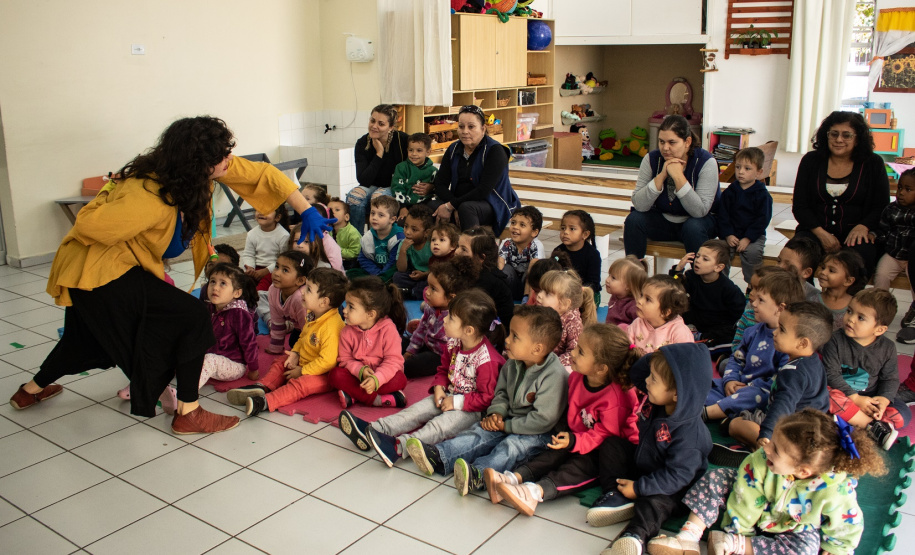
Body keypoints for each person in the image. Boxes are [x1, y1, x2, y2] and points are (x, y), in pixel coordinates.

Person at [9, 116, 334, 435]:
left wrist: (305, 210)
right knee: (193, 315)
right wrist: (112, 190)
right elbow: (87, 225)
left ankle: (30, 390)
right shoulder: (149, 195)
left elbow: (262, 175)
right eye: (222, 156)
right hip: (97, 270)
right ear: (198, 162)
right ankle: (189, 412)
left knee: (82, 340)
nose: (230, 160)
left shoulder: (197, 173)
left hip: (110, 266)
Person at [648, 409, 886, 555]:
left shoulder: (835, 489)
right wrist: (740, 530)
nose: (766, 448)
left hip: (792, 524)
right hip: (749, 502)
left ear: (803, 471)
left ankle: (732, 544)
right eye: (772, 441)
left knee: (806, 550)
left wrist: (838, 548)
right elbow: (745, 498)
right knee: (716, 478)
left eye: (777, 450)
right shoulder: (760, 460)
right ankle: (689, 536)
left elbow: (847, 520)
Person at [405, 305, 568, 497]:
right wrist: (496, 414)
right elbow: (501, 394)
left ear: (537, 348)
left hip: (538, 432)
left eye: (515, 336)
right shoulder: (512, 364)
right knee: (479, 433)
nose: (507, 340)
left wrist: (506, 426)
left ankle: (478, 474)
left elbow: (542, 420)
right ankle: (439, 455)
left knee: (511, 448)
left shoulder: (554, 376)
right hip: (506, 420)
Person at [490, 324, 642, 516]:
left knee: (577, 467)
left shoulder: (618, 397)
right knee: (553, 452)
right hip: (580, 437)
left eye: (581, 351)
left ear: (601, 368)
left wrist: (575, 441)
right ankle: (513, 478)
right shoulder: (577, 377)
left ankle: (535, 492)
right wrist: (570, 440)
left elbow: (605, 434)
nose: (574, 353)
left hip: (605, 451)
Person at [340, 289, 506, 464]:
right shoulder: (455, 343)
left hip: (471, 410)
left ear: (469, 330)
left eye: (451, 318)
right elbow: (443, 370)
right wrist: (439, 388)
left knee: (439, 426)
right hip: (449, 395)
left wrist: (457, 403)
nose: (445, 320)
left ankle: (398, 447)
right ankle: (373, 430)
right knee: (415, 412)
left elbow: (486, 398)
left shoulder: (487, 360)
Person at [586, 343, 712, 555]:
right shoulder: (656, 402)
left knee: (653, 503)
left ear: (676, 394)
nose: (646, 381)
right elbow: (640, 374)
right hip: (646, 464)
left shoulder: (691, 436)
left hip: (674, 488)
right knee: (612, 446)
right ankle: (616, 496)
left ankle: (636, 537)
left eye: (653, 379)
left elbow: (676, 477)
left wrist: (640, 488)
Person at [227, 268, 348, 416]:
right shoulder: (313, 313)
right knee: (280, 363)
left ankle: (266, 402)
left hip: (323, 374)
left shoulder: (331, 327)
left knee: (299, 385)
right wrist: (295, 353)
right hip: (304, 361)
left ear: (324, 302)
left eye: (309, 290)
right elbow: (303, 336)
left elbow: (327, 362)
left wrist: (302, 371)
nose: (302, 292)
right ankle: (262, 386)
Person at [723, 302, 833, 459]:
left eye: (782, 329)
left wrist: (766, 434)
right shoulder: (814, 361)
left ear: (802, 343)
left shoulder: (793, 372)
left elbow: (783, 404)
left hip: (790, 429)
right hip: (812, 429)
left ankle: (766, 452)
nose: (775, 333)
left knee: (736, 425)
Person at [792, 110, 890, 277]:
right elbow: (800, 206)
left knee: (858, 261)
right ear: (826, 136)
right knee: (795, 257)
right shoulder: (811, 161)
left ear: (858, 138)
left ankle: (846, 303)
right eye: (834, 134)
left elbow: (881, 205)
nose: (839, 140)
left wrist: (864, 226)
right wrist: (821, 233)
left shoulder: (873, 163)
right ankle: (804, 301)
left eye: (847, 135)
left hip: (856, 234)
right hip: (815, 231)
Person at [704, 269, 804, 422]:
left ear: (780, 308)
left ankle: (707, 413)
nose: (754, 303)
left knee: (753, 396)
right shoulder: (752, 331)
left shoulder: (787, 343)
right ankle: (729, 412)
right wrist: (729, 380)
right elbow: (736, 360)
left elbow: (780, 380)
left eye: (761, 300)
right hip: (737, 386)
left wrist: (748, 386)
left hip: (760, 392)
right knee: (707, 385)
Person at [824, 289, 909, 450]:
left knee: (903, 414)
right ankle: (872, 426)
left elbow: (890, 379)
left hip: (870, 397)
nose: (850, 319)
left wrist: (882, 401)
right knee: (826, 396)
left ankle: (863, 421)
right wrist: (855, 399)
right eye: (849, 311)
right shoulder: (834, 340)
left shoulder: (888, 348)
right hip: (843, 396)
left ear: (879, 330)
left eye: (861, 317)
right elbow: (830, 374)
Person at [624, 115, 720, 259]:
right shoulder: (652, 159)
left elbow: (700, 211)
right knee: (634, 220)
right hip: (663, 221)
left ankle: (698, 278)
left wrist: (678, 177)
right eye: (661, 142)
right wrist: (661, 176)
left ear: (687, 142)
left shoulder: (706, 162)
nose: (665, 148)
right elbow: (639, 205)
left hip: (698, 224)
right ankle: (633, 275)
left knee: (693, 227)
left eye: (672, 142)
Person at [431, 105, 520, 231]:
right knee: (431, 206)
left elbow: (483, 190)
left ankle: (474, 248)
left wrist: (452, 205)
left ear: (483, 129)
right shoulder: (453, 149)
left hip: (493, 204)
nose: (465, 131)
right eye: (461, 127)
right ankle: (438, 249)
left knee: (467, 209)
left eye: (471, 127)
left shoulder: (495, 151)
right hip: (460, 202)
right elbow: (440, 184)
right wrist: (452, 205)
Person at [328, 276, 408, 408]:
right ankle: (380, 400)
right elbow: (345, 359)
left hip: (383, 377)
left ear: (371, 314)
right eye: (346, 305)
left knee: (400, 379)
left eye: (351, 307)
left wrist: (377, 379)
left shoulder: (388, 330)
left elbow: (393, 361)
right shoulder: (346, 331)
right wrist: (361, 371)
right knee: (334, 375)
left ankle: (354, 396)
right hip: (358, 376)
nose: (344, 310)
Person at [403, 257, 480, 379]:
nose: (427, 292)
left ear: (451, 297)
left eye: (433, 289)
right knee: (399, 342)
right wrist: (410, 351)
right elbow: (421, 330)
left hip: (440, 356)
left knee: (411, 365)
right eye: (428, 286)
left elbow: (455, 351)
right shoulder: (430, 307)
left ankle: (397, 367)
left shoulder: (456, 318)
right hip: (427, 344)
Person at [671, 239, 745, 348]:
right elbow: (672, 289)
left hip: (716, 327)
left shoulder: (729, 289)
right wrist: (678, 270)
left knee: (732, 335)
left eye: (705, 259)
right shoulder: (691, 276)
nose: (698, 261)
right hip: (693, 322)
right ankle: (696, 338)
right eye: (697, 256)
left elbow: (738, 317)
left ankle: (703, 341)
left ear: (719, 267)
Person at [197, 264, 260, 391]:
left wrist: (253, 368)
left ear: (236, 293)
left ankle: (186, 394)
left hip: (233, 364)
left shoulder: (240, 314)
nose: (215, 287)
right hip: (210, 354)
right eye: (212, 281)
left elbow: (249, 343)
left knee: (209, 361)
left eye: (223, 284)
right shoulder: (210, 307)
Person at [348, 104, 409, 232]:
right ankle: (356, 243)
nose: (374, 126)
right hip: (372, 185)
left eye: (381, 124)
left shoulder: (402, 140)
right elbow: (363, 180)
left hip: (395, 187)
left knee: (378, 198)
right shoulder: (362, 143)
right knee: (354, 196)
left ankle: (378, 242)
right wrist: (379, 154)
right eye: (372, 121)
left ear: (391, 127)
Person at [717, 147, 773, 284]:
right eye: (738, 167)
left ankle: (753, 285)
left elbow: (762, 220)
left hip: (753, 236)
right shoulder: (730, 192)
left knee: (752, 253)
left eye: (747, 169)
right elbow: (722, 215)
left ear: (758, 173)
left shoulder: (762, 195)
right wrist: (728, 234)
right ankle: (721, 284)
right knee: (719, 251)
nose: (741, 172)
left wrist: (748, 238)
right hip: (731, 235)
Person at [457, 227, 515, 331]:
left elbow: (470, 311)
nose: (456, 252)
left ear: (481, 258)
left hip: (491, 331)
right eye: (458, 246)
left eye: (463, 249)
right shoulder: (467, 270)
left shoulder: (488, 281)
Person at [537, 269, 597, 368]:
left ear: (564, 303)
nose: (539, 295)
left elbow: (573, 353)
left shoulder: (573, 323)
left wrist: (548, 365)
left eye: (547, 293)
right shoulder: (542, 311)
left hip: (558, 366)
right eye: (541, 290)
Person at [872, 168, 915, 291]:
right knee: (881, 275)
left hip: (912, 259)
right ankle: (879, 304)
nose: (901, 192)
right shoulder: (891, 209)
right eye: (900, 187)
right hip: (893, 255)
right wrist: (874, 234)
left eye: (908, 189)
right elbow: (883, 229)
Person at [627, 275, 693, 353]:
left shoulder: (679, 332)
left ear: (665, 312)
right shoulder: (637, 323)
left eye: (648, 299)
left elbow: (685, 359)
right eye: (641, 295)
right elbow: (627, 349)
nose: (639, 301)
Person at [265, 251, 313, 355]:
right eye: (277, 267)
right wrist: (275, 348)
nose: (276, 273)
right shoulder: (273, 290)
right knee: (293, 343)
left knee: (301, 348)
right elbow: (277, 322)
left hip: (316, 326)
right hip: (299, 324)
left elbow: (308, 329)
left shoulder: (301, 298)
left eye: (285, 270)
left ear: (300, 281)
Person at [347, 195, 404, 283]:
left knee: (396, 274)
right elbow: (363, 259)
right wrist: (376, 274)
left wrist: (382, 275)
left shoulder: (398, 237)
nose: (374, 217)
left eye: (380, 215)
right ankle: (377, 282)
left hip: (389, 271)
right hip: (375, 271)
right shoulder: (368, 236)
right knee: (351, 273)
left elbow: (393, 262)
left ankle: (378, 282)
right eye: (372, 213)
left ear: (392, 219)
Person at [551, 210, 602, 302]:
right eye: (563, 228)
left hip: (586, 293)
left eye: (572, 229)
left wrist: (575, 292)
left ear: (585, 234)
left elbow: (593, 284)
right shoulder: (558, 251)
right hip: (563, 291)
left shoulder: (593, 255)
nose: (565, 232)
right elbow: (553, 275)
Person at [498, 206, 545, 300]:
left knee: (531, 270)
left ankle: (526, 298)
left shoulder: (536, 246)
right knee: (505, 270)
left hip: (530, 286)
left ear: (534, 232)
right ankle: (501, 298)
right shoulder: (506, 243)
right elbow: (500, 265)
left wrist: (526, 297)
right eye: (513, 223)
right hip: (512, 286)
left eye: (522, 225)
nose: (515, 227)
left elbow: (533, 274)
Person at [390, 132, 437, 222]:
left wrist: (433, 187)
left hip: (426, 204)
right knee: (402, 222)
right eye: (411, 150)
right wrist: (402, 208)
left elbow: (438, 187)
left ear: (428, 152)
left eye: (419, 150)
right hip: (407, 205)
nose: (414, 154)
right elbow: (397, 188)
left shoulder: (433, 170)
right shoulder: (401, 167)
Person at [241, 208, 291, 291]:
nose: (261, 213)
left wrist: (266, 270)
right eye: (258, 209)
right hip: (255, 269)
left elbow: (284, 259)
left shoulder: (283, 235)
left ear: (277, 217)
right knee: (242, 284)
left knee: (261, 288)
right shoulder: (252, 234)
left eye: (267, 211)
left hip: (274, 269)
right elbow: (248, 254)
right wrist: (250, 268)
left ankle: (257, 300)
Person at [817, 249, 867, 330]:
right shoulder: (812, 300)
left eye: (831, 271)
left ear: (848, 281)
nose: (823, 272)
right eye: (823, 268)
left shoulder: (855, 306)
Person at [393, 204, 434, 299]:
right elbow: (401, 269)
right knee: (397, 277)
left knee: (433, 281)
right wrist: (403, 251)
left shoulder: (431, 244)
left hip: (429, 275)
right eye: (406, 226)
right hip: (414, 276)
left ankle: (412, 292)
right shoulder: (404, 243)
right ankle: (414, 292)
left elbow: (439, 269)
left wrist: (424, 274)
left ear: (426, 233)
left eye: (414, 229)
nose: (407, 232)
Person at [288, 206, 344, 271]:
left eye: (306, 242)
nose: (300, 245)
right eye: (296, 241)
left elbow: (336, 268)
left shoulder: (328, 243)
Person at [776, 236, 823, 303]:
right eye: (778, 261)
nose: (779, 267)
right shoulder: (767, 286)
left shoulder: (814, 299)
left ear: (806, 272)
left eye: (789, 265)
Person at [604, 256, 648, 327]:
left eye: (613, 278)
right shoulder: (616, 295)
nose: (607, 280)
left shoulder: (633, 307)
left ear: (628, 286)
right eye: (609, 275)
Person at [327, 197, 362, 270]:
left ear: (346, 217)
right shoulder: (326, 230)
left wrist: (337, 252)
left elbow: (355, 252)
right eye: (330, 210)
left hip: (350, 263)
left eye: (337, 210)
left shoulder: (352, 232)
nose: (332, 212)